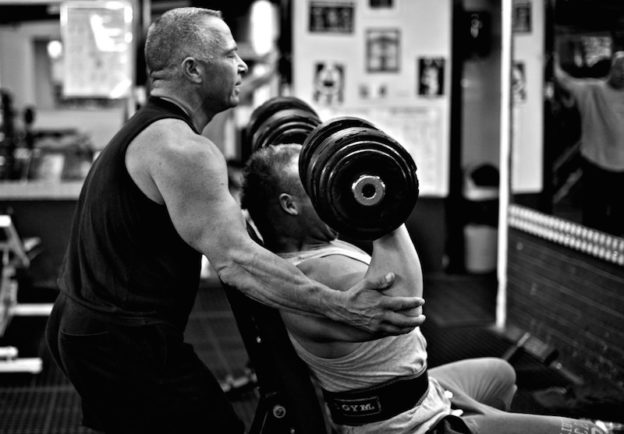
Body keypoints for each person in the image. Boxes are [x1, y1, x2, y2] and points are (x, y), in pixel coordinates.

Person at [44, 8, 425, 434]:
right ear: (193, 69)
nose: (242, 66)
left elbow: (213, 230)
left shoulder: (149, 131)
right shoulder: (181, 149)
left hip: (87, 327)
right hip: (119, 339)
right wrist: (345, 308)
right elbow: (236, 261)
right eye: (230, 55)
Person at [240, 143, 607, 434]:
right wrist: (381, 205)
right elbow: (406, 304)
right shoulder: (317, 272)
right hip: (410, 426)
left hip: (421, 393)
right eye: (314, 184)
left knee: (501, 373)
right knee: (593, 432)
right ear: (289, 205)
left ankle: (486, 422)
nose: (327, 190)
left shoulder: (305, 254)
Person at [554, 51, 624, 236]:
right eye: (619, 68)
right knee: (594, 218)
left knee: (618, 221)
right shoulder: (593, 90)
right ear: (612, 68)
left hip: (619, 169)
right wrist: (551, 58)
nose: (622, 73)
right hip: (595, 164)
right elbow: (565, 81)